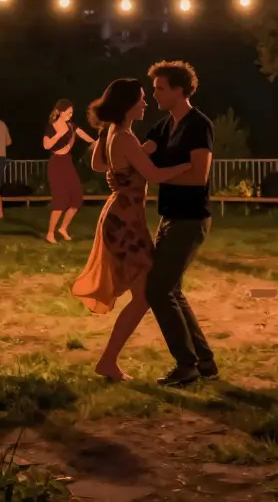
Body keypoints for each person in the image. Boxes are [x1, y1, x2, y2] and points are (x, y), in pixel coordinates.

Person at [73, 79, 192, 382]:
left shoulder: (115, 133)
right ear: (128, 104)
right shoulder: (123, 136)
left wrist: (134, 158)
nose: (145, 103)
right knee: (144, 295)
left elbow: (100, 165)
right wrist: (189, 167)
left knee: (144, 294)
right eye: (140, 99)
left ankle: (109, 361)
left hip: (121, 216)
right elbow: (152, 173)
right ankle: (108, 361)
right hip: (125, 223)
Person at [144, 60, 217, 386]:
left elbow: (199, 174)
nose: (154, 94)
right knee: (170, 289)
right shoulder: (164, 126)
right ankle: (203, 362)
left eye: (160, 88)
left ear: (178, 90)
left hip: (191, 219)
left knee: (158, 290)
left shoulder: (198, 125)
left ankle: (186, 365)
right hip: (170, 217)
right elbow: (140, 156)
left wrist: (160, 175)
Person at [42, 99, 95, 244]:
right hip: (56, 164)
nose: (71, 115)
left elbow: (82, 133)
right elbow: (46, 145)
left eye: (72, 112)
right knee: (60, 200)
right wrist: (59, 134)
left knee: (77, 197)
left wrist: (93, 142)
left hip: (67, 163)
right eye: (69, 112)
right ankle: (50, 233)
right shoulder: (51, 127)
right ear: (61, 111)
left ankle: (63, 228)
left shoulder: (71, 126)